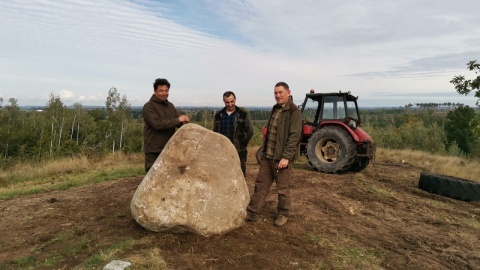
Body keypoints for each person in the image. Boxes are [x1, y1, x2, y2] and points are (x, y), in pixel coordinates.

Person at [246, 82, 302, 227]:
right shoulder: (275, 109)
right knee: (261, 185)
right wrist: (263, 151)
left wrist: (286, 157)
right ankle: (252, 212)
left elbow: (295, 136)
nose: (278, 95)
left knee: (283, 188)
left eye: (280, 92)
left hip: (281, 159)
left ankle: (283, 214)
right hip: (268, 155)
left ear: (288, 92)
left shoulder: (293, 111)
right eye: (275, 93)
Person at [142, 78, 190, 173]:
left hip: (169, 149)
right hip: (154, 151)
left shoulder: (170, 106)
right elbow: (157, 124)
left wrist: (184, 122)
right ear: (155, 91)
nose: (164, 93)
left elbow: (177, 122)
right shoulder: (148, 107)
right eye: (161, 91)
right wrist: (178, 120)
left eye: (166, 90)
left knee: (169, 175)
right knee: (153, 178)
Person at [213, 91, 254, 176]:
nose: (230, 104)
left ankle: (240, 190)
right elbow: (215, 132)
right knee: (224, 174)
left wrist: (243, 143)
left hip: (239, 150)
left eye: (232, 101)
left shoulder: (243, 115)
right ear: (224, 102)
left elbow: (250, 131)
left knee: (240, 174)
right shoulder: (218, 115)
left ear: (235, 100)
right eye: (227, 102)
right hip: (223, 150)